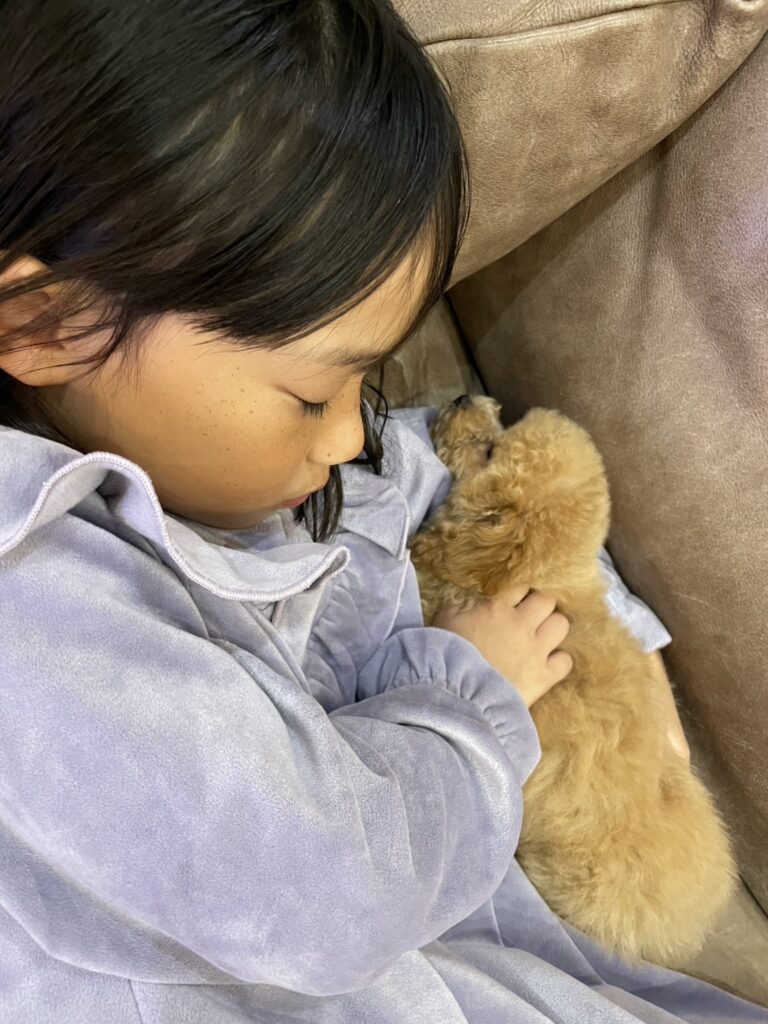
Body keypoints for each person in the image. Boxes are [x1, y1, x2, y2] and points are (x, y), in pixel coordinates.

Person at [0, 2, 759, 1022]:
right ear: (47, 326)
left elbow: (403, 471)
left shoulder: (200, 452)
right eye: (314, 394)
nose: (344, 435)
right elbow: (322, 890)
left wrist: (594, 606)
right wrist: (468, 701)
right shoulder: (33, 610)